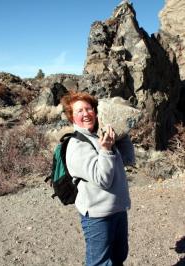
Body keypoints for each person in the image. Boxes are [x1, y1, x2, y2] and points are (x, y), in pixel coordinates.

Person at [60, 90, 135, 266]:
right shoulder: (76, 145)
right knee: (99, 263)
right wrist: (106, 150)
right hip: (97, 215)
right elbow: (102, 179)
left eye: (89, 109)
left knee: (119, 257)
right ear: (72, 117)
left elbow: (128, 159)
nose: (86, 114)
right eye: (79, 111)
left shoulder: (99, 136)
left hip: (117, 209)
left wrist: (122, 133)